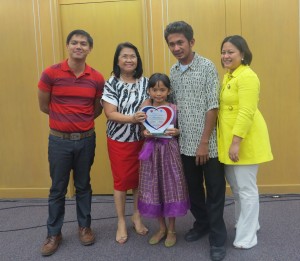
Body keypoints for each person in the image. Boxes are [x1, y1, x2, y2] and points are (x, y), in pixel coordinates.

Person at [37, 29, 105, 256]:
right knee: (57, 188)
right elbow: (44, 106)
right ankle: (53, 233)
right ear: (68, 46)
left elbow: (96, 109)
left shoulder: (96, 78)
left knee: (84, 185)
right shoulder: (50, 73)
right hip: (59, 142)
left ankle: (84, 227)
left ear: (89, 49)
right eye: (74, 42)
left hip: (86, 141)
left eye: (83, 43)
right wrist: (64, 123)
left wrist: (80, 124)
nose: (79, 46)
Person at [164, 21, 227, 261]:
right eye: (172, 44)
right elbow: (172, 108)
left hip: (207, 145)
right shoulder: (173, 72)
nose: (176, 47)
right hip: (183, 144)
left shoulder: (207, 67)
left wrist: (203, 142)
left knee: (215, 191)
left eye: (180, 42)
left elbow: (213, 106)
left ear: (191, 42)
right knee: (192, 191)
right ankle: (202, 224)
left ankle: (218, 238)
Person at [218, 35, 273, 249]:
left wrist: (236, 142)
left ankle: (247, 237)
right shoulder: (230, 76)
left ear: (242, 53)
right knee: (238, 189)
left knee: (247, 189)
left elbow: (247, 111)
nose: (226, 56)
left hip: (243, 142)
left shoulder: (248, 76)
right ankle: (249, 223)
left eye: (230, 52)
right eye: (223, 52)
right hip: (229, 142)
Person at [102, 42, 149, 244]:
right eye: (125, 56)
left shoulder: (146, 82)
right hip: (119, 141)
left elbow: (149, 109)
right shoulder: (111, 83)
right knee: (121, 182)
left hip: (141, 139)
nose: (129, 60)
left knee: (139, 180)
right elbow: (110, 113)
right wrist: (132, 119)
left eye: (133, 56)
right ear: (118, 60)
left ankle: (136, 215)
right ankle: (121, 220)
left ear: (137, 60)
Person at [137, 73, 190, 248]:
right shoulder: (145, 109)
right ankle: (161, 228)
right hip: (151, 152)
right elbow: (142, 130)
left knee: (171, 187)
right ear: (149, 91)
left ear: (169, 90)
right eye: (154, 90)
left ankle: (172, 229)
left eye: (162, 89)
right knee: (154, 188)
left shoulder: (174, 108)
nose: (158, 93)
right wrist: (144, 133)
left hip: (169, 151)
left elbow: (181, 129)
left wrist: (177, 131)